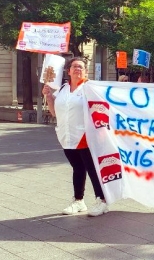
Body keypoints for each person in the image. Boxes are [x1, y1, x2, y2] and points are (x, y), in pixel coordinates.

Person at [42, 57, 109, 217]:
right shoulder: (62, 89)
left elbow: (102, 109)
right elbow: (54, 112)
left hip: (86, 136)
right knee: (78, 168)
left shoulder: (90, 88)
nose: (78, 69)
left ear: (86, 71)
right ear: (69, 71)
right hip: (67, 135)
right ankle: (78, 201)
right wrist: (49, 97)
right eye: (74, 66)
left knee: (92, 169)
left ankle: (102, 201)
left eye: (81, 67)